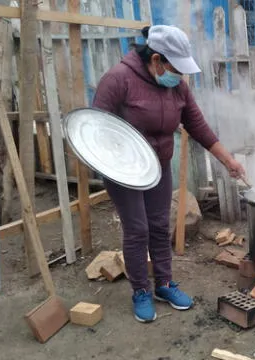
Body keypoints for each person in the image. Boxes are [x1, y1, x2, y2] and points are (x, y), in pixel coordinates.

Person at [92, 25, 245, 323]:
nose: (180, 76)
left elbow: (197, 125)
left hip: (158, 167)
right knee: (138, 230)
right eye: (176, 68)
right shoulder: (118, 79)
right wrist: (113, 162)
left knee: (161, 226)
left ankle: (163, 285)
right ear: (157, 59)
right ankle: (140, 291)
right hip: (124, 171)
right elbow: (96, 128)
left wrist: (228, 161)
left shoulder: (177, 87)